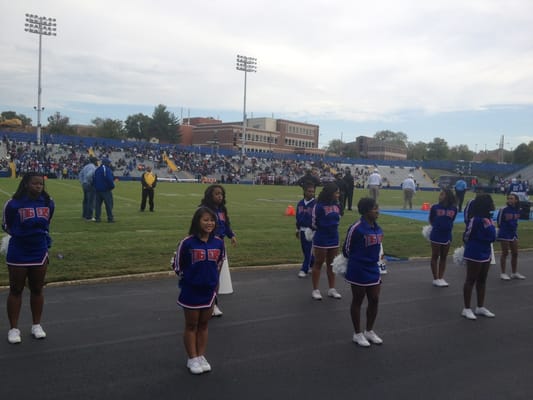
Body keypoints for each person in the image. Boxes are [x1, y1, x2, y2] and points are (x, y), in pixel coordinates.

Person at [2, 172, 55, 344]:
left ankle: (36, 325)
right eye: (35, 183)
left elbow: (47, 223)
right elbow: (6, 225)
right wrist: (22, 235)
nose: (39, 186)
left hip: (39, 250)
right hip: (18, 250)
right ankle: (13, 329)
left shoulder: (48, 202)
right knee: (16, 290)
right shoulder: (13, 204)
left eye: (41, 184)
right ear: (26, 184)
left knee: (37, 289)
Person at [172, 207, 225, 374]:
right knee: (191, 325)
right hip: (191, 291)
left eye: (212, 220)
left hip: (209, 292)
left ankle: (201, 355)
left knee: (203, 325)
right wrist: (190, 280)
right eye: (205, 220)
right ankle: (192, 358)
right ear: (197, 221)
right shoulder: (187, 242)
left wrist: (214, 284)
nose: (209, 223)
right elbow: (178, 266)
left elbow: (219, 263)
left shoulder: (218, 242)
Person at [343, 197, 384, 347]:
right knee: (358, 300)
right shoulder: (356, 228)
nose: (377, 211)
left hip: (373, 268)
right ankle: (357, 333)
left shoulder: (377, 228)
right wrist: (358, 261)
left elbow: (378, 248)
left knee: (374, 299)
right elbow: (346, 249)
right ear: (366, 211)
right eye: (375, 208)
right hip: (358, 269)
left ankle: (369, 330)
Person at [199, 184, 237, 317]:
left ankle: (214, 304)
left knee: (215, 277)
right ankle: (203, 303)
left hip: (219, 246)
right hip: (206, 246)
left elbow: (226, 225)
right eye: (216, 194)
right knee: (206, 276)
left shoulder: (222, 210)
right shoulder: (203, 210)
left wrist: (231, 235)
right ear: (210, 195)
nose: (220, 196)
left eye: (221, 194)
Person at [462, 194, 496, 320]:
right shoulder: (475, 220)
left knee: (482, 280)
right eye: (490, 201)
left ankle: (480, 307)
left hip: (486, 250)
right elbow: (466, 235)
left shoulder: (489, 219)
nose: (493, 203)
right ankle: (466, 308)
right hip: (475, 251)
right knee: (471, 280)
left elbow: (493, 236)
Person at [310, 182, 342, 300]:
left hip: (334, 237)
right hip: (321, 237)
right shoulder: (318, 206)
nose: (338, 195)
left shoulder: (338, 204)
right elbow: (314, 222)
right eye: (336, 192)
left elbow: (338, 218)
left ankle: (332, 289)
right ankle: (315, 290)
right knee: (318, 262)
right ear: (330, 193)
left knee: (332, 264)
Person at [429, 189, 458, 287]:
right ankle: (435, 278)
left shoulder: (454, 209)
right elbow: (431, 219)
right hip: (436, 234)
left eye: (442, 194)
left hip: (447, 235)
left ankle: (441, 277)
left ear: (447, 196)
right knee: (435, 255)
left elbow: (452, 220)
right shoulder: (434, 207)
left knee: (444, 256)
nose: (440, 196)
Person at [497, 193, 525, 280]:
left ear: (516, 200)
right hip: (505, 233)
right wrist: (503, 230)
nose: (509, 200)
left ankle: (514, 273)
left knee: (515, 253)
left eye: (512, 198)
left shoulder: (518, 209)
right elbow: (499, 222)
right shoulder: (503, 209)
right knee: (505, 253)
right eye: (508, 198)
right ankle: (503, 273)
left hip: (513, 234)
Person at [295, 183, 316, 278]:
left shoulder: (315, 203)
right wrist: (297, 229)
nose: (311, 193)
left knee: (308, 250)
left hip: (311, 230)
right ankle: (313, 263)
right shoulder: (300, 203)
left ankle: (304, 269)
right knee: (305, 250)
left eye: (313, 191)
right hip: (302, 230)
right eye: (309, 191)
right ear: (304, 192)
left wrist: (314, 228)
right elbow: (297, 217)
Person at [93, 158, 115, 223]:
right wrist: (112, 186)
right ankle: (110, 218)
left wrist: (96, 187)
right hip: (106, 190)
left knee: (98, 205)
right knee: (109, 205)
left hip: (97, 190)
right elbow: (109, 179)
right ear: (106, 163)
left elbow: (93, 179)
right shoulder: (106, 169)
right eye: (109, 163)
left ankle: (97, 218)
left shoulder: (97, 169)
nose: (110, 164)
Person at [79, 156, 97, 221]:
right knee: (91, 201)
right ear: (94, 161)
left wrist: (83, 182)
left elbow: (80, 174)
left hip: (84, 185)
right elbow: (89, 175)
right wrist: (90, 182)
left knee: (86, 201)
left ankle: (84, 215)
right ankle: (89, 217)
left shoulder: (86, 166)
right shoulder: (92, 167)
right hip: (90, 185)